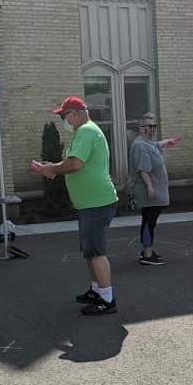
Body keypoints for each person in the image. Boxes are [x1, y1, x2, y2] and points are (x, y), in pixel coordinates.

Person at [37, 96, 119, 316]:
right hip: (92, 202)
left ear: (74, 114)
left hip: (96, 202)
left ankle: (107, 299)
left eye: (64, 116)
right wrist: (53, 167)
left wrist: (52, 169)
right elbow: (74, 164)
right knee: (90, 251)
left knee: (97, 252)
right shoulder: (87, 131)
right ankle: (97, 291)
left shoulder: (86, 132)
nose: (64, 121)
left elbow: (75, 164)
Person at [129, 112, 177, 266]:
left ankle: (147, 250)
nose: (152, 129)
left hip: (156, 191)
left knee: (150, 221)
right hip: (150, 192)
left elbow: (156, 145)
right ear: (141, 128)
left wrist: (166, 142)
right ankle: (147, 254)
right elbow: (143, 169)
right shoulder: (140, 146)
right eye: (149, 126)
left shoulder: (148, 143)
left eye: (154, 126)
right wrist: (150, 186)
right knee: (149, 221)